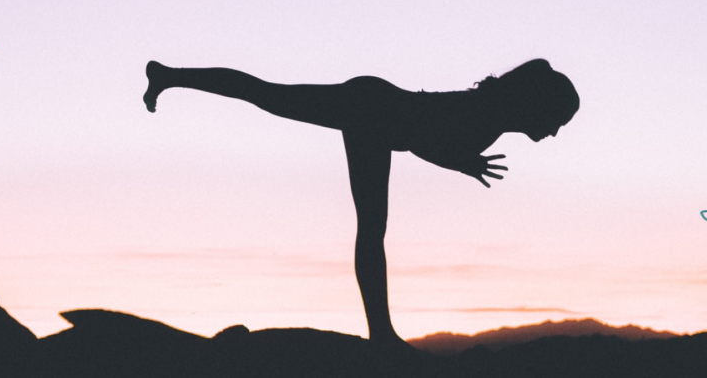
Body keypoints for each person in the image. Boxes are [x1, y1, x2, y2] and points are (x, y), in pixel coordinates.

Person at [142, 58, 579, 347]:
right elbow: (424, 139)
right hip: (373, 113)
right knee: (371, 227)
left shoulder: (493, 114)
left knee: (267, 95)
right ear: (538, 107)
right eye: (558, 121)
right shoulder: (489, 117)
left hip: (374, 105)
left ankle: (168, 76)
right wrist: (462, 163)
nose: (555, 133)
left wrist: (461, 162)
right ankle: (382, 335)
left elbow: (432, 137)